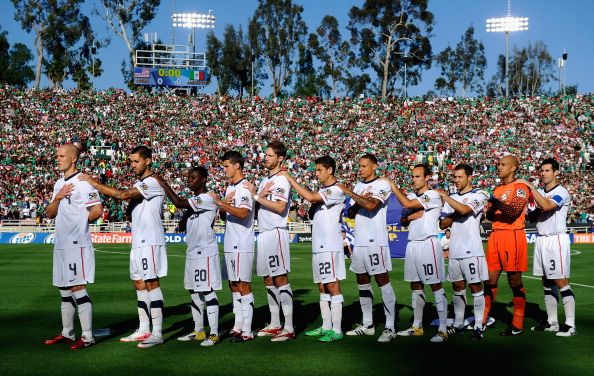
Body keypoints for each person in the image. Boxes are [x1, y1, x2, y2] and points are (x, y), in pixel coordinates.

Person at [80, 146, 167, 348]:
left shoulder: (153, 182)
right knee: (139, 283)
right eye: (131, 161)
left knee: (152, 283)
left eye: (136, 161)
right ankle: (144, 329)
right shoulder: (141, 183)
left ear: (148, 161)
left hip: (150, 241)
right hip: (138, 241)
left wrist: (94, 183)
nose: (132, 165)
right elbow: (129, 206)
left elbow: (122, 195)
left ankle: (158, 332)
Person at [280, 156, 347, 342]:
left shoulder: (336, 189)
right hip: (318, 245)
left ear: (330, 170)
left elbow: (309, 197)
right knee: (322, 286)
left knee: (332, 285)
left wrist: (291, 179)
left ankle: (337, 330)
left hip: (330, 245)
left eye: (319, 170)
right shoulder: (324, 191)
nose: (316, 173)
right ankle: (326, 326)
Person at [44, 144, 103, 350]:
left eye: (61, 156)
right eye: (56, 155)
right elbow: (50, 213)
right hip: (60, 242)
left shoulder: (83, 182)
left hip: (76, 243)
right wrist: (58, 197)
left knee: (78, 287)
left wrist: (79, 225)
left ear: (74, 158)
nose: (57, 159)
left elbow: (97, 209)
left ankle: (87, 336)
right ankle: (67, 333)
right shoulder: (59, 183)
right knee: (64, 289)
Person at [156, 167, 222, 346]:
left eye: (193, 177)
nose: (189, 180)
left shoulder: (207, 198)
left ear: (204, 179)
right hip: (192, 251)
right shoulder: (195, 202)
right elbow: (185, 217)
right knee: (193, 292)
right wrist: (185, 219)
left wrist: (163, 184)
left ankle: (214, 333)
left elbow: (178, 202)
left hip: (205, 251)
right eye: (188, 177)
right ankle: (199, 331)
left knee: (207, 291)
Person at [385, 164, 448, 343]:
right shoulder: (413, 196)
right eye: (413, 176)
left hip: (428, 243)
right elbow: (403, 220)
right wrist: (409, 217)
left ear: (427, 178)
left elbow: (405, 204)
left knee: (435, 284)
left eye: (418, 176)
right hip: (412, 244)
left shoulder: (433, 195)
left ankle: (443, 329)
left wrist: (392, 185)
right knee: (415, 285)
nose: (414, 179)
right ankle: (417, 326)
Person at [338, 154, 397, 343]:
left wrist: (351, 194)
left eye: (364, 166)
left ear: (374, 166)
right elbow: (351, 212)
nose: (360, 169)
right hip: (360, 240)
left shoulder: (383, 184)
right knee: (362, 281)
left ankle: (390, 327)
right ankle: (368, 324)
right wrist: (356, 199)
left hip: (376, 241)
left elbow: (371, 205)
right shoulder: (359, 186)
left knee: (382, 280)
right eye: (359, 166)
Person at [520, 158, 576, 337]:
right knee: (546, 282)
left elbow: (547, 205)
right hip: (541, 239)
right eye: (542, 170)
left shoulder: (561, 192)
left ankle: (570, 324)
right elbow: (532, 217)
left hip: (555, 240)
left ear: (556, 172)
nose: (543, 174)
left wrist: (530, 188)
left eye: (547, 170)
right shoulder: (542, 192)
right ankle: (552, 322)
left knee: (561, 281)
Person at [248, 141, 295, 342]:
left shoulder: (281, 179)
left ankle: (289, 327)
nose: (265, 158)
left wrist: (256, 196)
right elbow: (259, 203)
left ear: (280, 158)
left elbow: (279, 207)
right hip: (264, 232)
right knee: (267, 279)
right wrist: (255, 196)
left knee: (280, 278)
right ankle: (275, 324)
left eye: (269, 156)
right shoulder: (265, 180)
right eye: (265, 155)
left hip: (276, 232)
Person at [438, 164, 489, 340]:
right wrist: (454, 211)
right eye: (455, 177)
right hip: (455, 250)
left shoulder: (480, 194)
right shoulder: (452, 197)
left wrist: (448, 201)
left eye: (460, 177)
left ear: (469, 177)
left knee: (475, 287)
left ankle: (478, 325)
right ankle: (459, 323)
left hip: (472, 249)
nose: (456, 180)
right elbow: (442, 224)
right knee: (457, 287)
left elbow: (465, 210)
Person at [209, 151, 256, 343]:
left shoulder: (244, 188)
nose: (224, 169)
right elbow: (225, 215)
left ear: (237, 166)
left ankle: (247, 330)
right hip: (230, 241)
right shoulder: (230, 187)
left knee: (243, 284)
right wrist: (221, 207)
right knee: (232, 284)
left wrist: (220, 203)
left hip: (241, 242)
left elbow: (243, 213)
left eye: (227, 166)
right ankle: (238, 325)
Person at [483, 155, 530, 336]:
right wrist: (493, 208)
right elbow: (490, 216)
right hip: (496, 236)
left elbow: (513, 212)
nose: (499, 167)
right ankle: (483, 320)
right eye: (498, 164)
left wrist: (496, 203)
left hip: (513, 236)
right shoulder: (498, 189)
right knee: (489, 280)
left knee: (514, 281)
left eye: (503, 165)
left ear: (513, 168)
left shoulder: (521, 187)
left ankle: (517, 324)